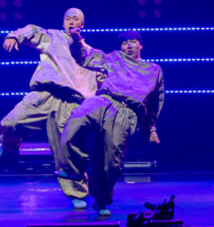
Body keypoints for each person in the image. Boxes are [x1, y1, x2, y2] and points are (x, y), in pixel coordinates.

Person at [0, 7, 97, 206]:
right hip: (44, 93)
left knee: (66, 149)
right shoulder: (54, 37)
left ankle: (77, 194)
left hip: (69, 102)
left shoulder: (89, 52)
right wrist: (15, 36)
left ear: (82, 24)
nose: (71, 21)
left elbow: (98, 80)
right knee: (11, 122)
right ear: (63, 23)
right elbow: (32, 30)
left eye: (75, 19)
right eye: (68, 18)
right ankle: (9, 145)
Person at [56, 29, 163, 215]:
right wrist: (77, 41)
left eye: (133, 41)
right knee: (75, 121)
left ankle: (101, 200)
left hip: (126, 112)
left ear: (140, 45)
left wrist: (150, 129)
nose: (129, 45)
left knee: (111, 161)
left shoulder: (153, 69)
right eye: (125, 43)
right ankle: (72, 168)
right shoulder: (114, 58)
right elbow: (86, 57)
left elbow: (155, 102)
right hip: (103, 100)